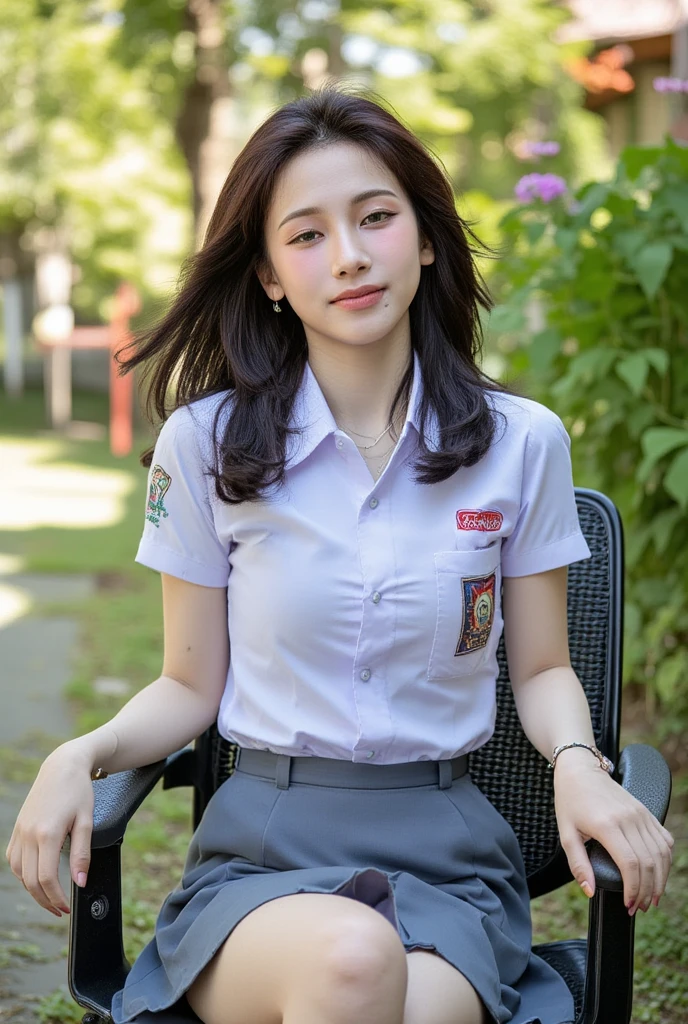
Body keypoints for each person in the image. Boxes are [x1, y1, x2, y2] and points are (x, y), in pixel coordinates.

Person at [5, 86, 674, 1024]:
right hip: (265, 853)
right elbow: (189, 689)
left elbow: (543, 665)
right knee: (353, 962)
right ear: (271, 274)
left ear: (427, 237)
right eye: (307, 235)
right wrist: (82, 752)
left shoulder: (523, 444)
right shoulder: (207, 447)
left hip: (451, 862)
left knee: (393, 997)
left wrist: (577, 762)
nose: (350, 256)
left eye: (375, 218)